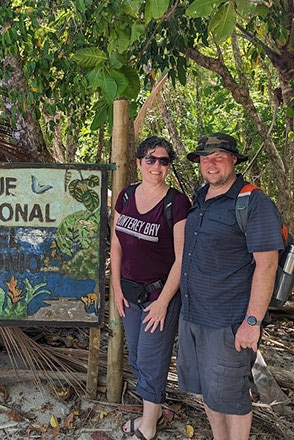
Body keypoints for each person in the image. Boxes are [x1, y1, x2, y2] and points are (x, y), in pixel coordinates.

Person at [177, 133, 284, 440]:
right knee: (208, 393)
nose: (211, 164)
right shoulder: (201, 197)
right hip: (193, 316)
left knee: (232, 397)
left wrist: (252, 322)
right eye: (205, 158)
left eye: (218, 157)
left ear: (234, 160)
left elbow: (267, 265)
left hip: (227, 322)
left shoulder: (254, 203)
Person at [110, 136, 191, 440]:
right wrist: (116, 287)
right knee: (136, 357)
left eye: (164, 160)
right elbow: (117, 244)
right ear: (139, 163)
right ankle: (152, 412)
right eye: (151, 159)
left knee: (151, 359)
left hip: (161, 295)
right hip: (130, 293)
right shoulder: (127, 197)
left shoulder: (177, 203)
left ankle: (148, 428)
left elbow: (182, 258)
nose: (157, 166)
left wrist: (163, 302)